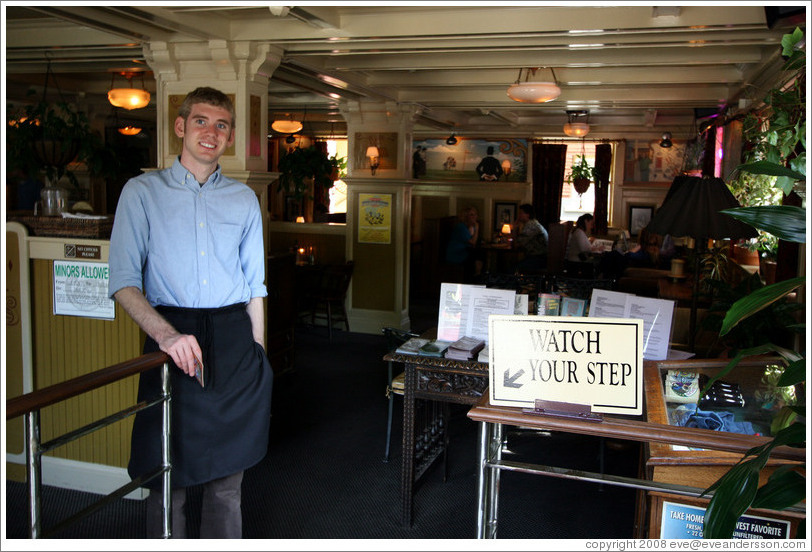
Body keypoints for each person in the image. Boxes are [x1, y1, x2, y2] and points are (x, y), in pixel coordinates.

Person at [108, 87, 272, 539]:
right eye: (201, 121)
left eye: (221, 125)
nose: (211, 132)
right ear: (181, 127)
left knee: (227, 483)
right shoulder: (141, 192)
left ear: (230, 137)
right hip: (171, 339)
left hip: (235, 343)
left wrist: (259, 357)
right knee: (168, 479)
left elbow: (255, 287)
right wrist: (165, 336)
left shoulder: (243, 199)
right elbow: (123, 280)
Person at [445, 206, 483, 281]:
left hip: (466, 251)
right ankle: (476, 277)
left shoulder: (470, 227)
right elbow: (472, 242)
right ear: (466, 216)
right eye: (471, 215)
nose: (474, 217)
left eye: (475, 214)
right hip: (457, 253)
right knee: (478, 254)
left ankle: (477, 276)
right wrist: (477, 228)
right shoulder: (461, 227)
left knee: (480, 253)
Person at [513, 203, 548, 271]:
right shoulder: (533, 223)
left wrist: (514, 229)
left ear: (528, 214)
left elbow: (517, 245)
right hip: (539, 258)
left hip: (538, 259)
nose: (519, 216)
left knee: (513, 269)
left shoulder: (531, 226)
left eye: (521, 213)